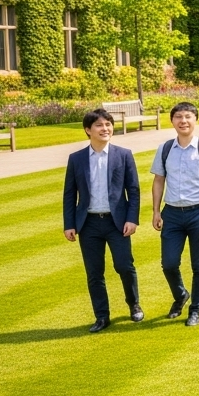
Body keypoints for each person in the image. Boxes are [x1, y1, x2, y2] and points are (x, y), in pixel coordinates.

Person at [63, 108, 142, 332]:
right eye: (99, 125)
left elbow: (133, 190)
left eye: (108, 124)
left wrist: (132, 219)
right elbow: (70, 193)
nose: (105, 128)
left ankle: (134, 305)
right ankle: (102, 316)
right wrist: (69, 224)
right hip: (88, 224)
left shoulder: (123, 154)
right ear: (88, 130)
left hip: (116, 223)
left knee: (125, 266)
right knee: (94, 272)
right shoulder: (76, 159)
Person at [150, 102, 199, 327]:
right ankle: (181, 295)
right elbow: (158, 180)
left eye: (188, 116)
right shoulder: (164, 149)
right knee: (169, 264)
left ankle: (195, 310)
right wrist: (155, 211)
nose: (183, 121)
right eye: (179, 117)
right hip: (171, 213)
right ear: (172, 121)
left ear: (195, 120)